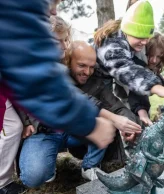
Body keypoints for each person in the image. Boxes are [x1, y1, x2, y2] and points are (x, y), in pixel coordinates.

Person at [19, 41, 141, 188]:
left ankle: (90, 166)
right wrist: (112, 117)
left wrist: (129, 124)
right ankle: (47, 167)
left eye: (91, 67)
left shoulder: (95, 80)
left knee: (107, 122)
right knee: (33, 177)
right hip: (45, 132)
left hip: (76, 133)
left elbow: (116, 106)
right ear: (67, 61)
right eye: (82, 65)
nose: (87, 72)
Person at [0, 0, 116, 150]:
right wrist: (89, 123)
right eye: (53, 2)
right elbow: (33, 78)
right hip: (41, 129)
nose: (55, 11)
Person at [94, 0, 164, 105]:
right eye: (139, 37)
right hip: (90, 84)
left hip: (106, 85)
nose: (144, 42)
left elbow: (141, 67)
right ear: (127, 31)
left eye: (147, 38)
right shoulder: (111, 44)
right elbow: (124, 69)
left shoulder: (130, 41)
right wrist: (156, 87)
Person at [128, 32, 164, 126]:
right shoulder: (134, 65)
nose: (154, 60)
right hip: (127, 112)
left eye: (159, 57)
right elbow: (135, 91)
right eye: (150, 55)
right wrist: (142, 111)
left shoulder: (151, 70)